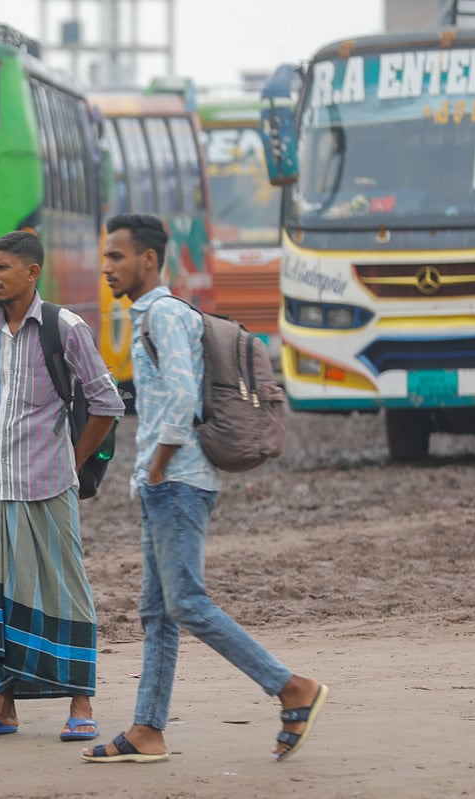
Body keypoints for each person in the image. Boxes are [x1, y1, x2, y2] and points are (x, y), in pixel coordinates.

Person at [83, 213, 327, 765]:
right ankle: (148, 730)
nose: (107, 267)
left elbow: (182, 396)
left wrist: (159, 463)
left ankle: (291, 688)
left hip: (178, 482)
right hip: (165, 482)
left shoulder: (165, 316)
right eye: (106, 257)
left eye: (117, 256)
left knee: (186, 602)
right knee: (158, 612)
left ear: (148, 259)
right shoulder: (151, 315)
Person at [0, 231, 124, 741]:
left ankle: (81, 702)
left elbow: (106, 403)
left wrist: (70, 460)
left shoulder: (64, 328)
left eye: (2, 268)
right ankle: (3, 706)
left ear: (31, 273)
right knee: (1, 596)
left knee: (64, 590)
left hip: (49, 485)